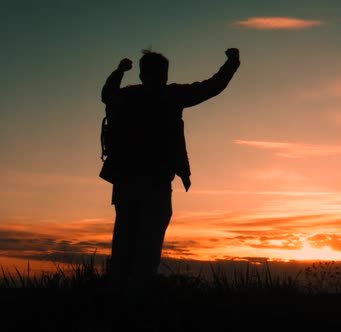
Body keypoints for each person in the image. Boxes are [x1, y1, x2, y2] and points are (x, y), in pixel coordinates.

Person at [99, 48, 241, 289]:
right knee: (149, 244)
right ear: (164, 74)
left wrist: (119, 71)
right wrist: (232, 63)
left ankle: (117, 298)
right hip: (155, 182)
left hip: (125, 182)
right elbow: (211, 87)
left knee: (125, 241)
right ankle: (140, 298)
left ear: (142, 74)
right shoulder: (172, 95)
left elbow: (107, 94)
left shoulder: (128, 95)